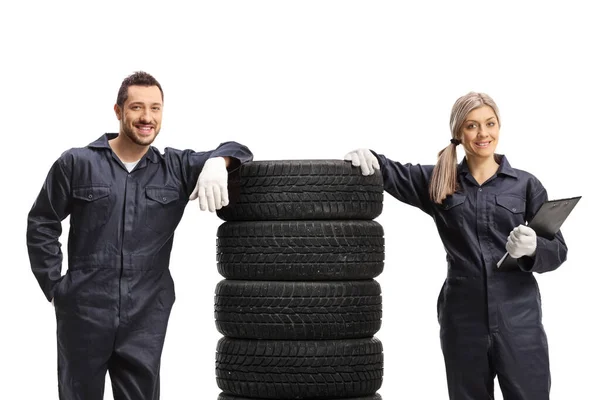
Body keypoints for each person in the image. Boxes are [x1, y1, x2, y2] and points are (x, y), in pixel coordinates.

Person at [26, 71, 253, 400]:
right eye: (137, 107)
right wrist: (56, 288)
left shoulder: (174, 167)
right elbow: (42, 222)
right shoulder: (77, 163)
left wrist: (219, 162)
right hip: (84, 311)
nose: (147, 117)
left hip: (146, 314)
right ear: (118, 112)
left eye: (156, 108)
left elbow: (240, 149)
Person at [344, 92, 567, 400]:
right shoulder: (440, 180)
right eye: (472, 126)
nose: (483, 133)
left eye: (490, 123)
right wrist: (368, 156)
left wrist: (532, 248)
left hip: (519, 318)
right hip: (463, 318)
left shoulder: (525, 184)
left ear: (499, 126)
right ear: (459, 133)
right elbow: (391, 171)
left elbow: (558, 250)